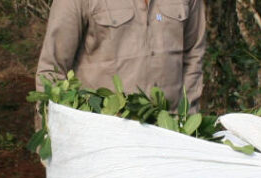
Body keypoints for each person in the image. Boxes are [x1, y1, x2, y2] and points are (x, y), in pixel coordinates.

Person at [35, 0, 207, 113]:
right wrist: (54, 135)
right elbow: (52, 68)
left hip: (167, 132)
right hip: (103, 135)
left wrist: (187, 116)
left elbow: (193, 55)